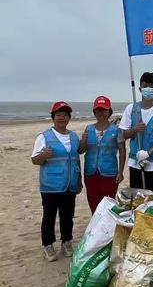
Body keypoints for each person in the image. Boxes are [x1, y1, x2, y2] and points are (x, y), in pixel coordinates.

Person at [31, 102, 81, 262]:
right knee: (49, 216)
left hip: (70, 183)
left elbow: (76, 158)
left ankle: (66, 242)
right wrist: (43, 156)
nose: (62, 118)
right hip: (51, 185)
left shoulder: (73, 136)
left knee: (68, 215)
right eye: (59, 115)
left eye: (65, 115)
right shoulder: (44, 136)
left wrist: (79, 180)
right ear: (53, 117)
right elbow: (35, 160)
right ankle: (48, 245)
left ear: (69, 118)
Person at [119, 72, 153, 201]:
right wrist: (134, 130)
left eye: (151, 86)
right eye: (145, 86)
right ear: (139, 88)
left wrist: (148, 153)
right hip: (135, 162)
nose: (148, 89)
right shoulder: (131, 109)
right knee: (137, 200)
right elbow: (122, 134)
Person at [78, 96, 126, 214]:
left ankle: (107, 229)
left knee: (108, 204)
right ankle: (96, 228)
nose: (101, 113)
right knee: (93, 202)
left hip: (109, 172)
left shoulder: (116, 130)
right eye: (98, 110)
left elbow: (122, 151)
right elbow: (81, 150)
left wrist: (120, 172)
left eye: (104, 110)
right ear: (94, 112)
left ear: (109, 112)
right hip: (90, 172)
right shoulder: (88, 129)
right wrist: (83, 141)